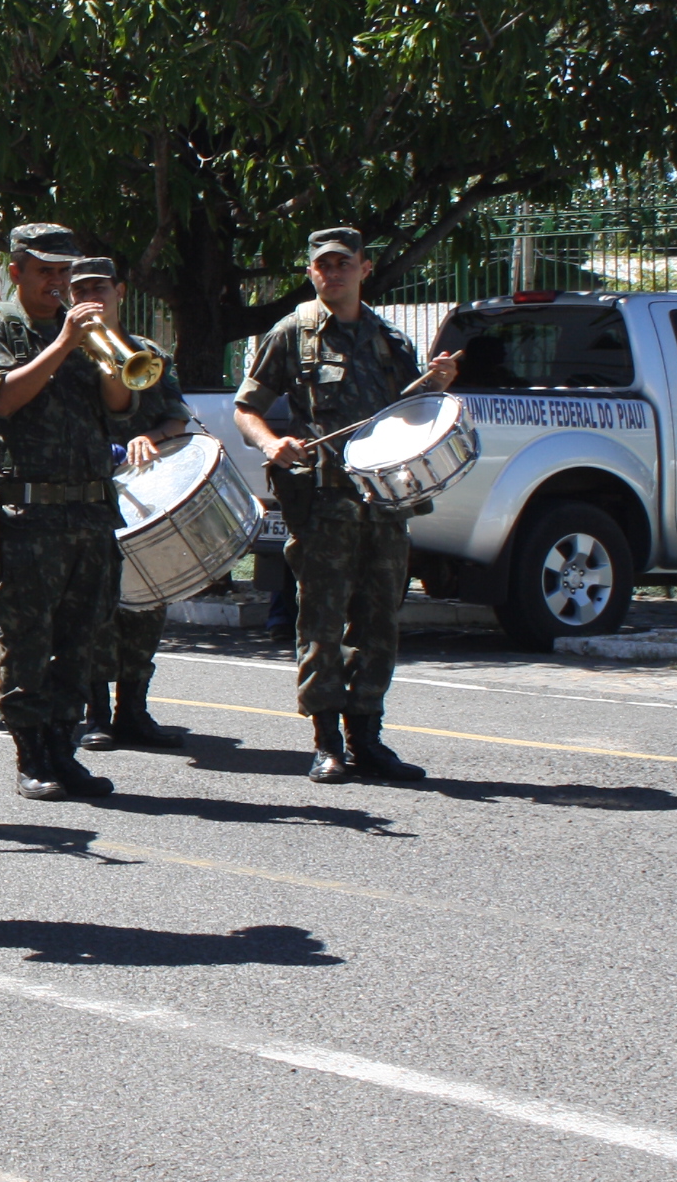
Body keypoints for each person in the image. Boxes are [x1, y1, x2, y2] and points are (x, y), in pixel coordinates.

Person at [233, 228, 460, 782]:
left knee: (380, 621)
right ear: (311, 272)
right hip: (324, 504)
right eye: (322, 265)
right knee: (322, 622)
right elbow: (247, 408)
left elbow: (412, 416)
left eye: (343, 263)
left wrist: (438, 383)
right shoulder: (294, 333)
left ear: (364, 267)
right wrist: (271, 443)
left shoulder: (390, 340)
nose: (332, 273)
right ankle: (326, 740)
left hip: (383, 506)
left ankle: (368, 736)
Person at [0, 223, 135, 802]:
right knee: (27, 637)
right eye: (45, 270)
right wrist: (64, 343)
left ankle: (64, 748)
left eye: (65, 272)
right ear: (16, 270)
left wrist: (109, 346)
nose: (59, 282)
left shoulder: (87, 329)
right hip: (29, 512)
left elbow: (120, 405)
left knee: (82, 639)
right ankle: (30, 755)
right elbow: (0, 400)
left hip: (91, 511)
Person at [69, 258, 191, 751]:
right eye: (80, 290)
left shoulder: (147, 352)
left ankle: (134, 709)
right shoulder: (63, 352)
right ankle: (96, 712)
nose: (90, 297)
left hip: (142, 488)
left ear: (119, 290)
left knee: (146, 602)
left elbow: (178, 417)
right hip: (88, 490)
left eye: (99, 287)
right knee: (96, 604)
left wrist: (150, 437)